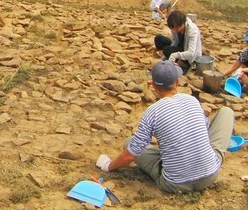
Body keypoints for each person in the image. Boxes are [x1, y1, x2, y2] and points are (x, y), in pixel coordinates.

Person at [95, 61, 233, 193]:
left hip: (175, 184)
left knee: (129, 143)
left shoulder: (152, 112)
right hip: (210, 176)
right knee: (226, 112)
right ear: (177, 82)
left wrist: (108, 166)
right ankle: (199, 158)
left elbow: (131, 154)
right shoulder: (192, 100)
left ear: (153, 85)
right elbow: (204, 126)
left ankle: (185, 160)